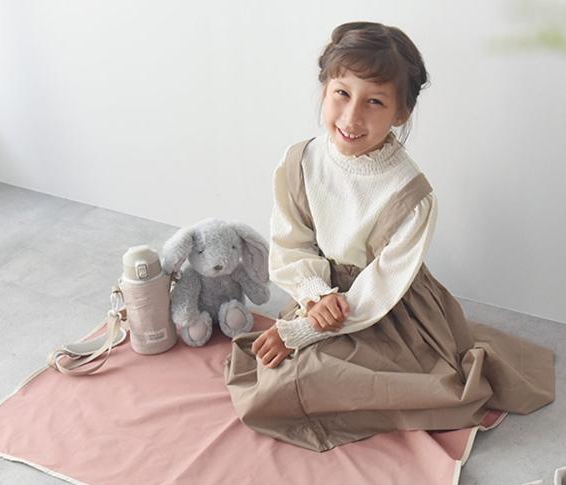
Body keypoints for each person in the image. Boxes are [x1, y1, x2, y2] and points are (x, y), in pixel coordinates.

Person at [223, 21, 555, 453]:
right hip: (324, 298)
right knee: (269, 375)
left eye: (374, 101)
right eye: (342, 93)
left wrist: (303, 331)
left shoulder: (412, 196)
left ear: (401, 113)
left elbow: (380, 288)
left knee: (293, 383)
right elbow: (291, 242)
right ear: (324, 88)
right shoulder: (300, 161)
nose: (352, 117)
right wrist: (315, 298)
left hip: (388, 311)